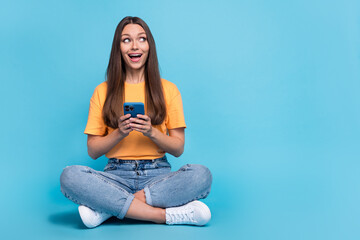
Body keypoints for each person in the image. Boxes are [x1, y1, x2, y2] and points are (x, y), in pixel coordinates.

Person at [60, 16, 212, 228]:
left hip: (157, 177)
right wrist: (119, 133)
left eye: (141, 39)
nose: (134, 46)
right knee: (69, 176)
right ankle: (162, 216)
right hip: (115, 176)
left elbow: (178, 148)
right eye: (126, 40)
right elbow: (93, 151)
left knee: (201, 175)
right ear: (118, 48)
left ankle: (108, 208)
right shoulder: (102, 91)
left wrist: (151, 132)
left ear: (149, 45)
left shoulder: (168, 89)